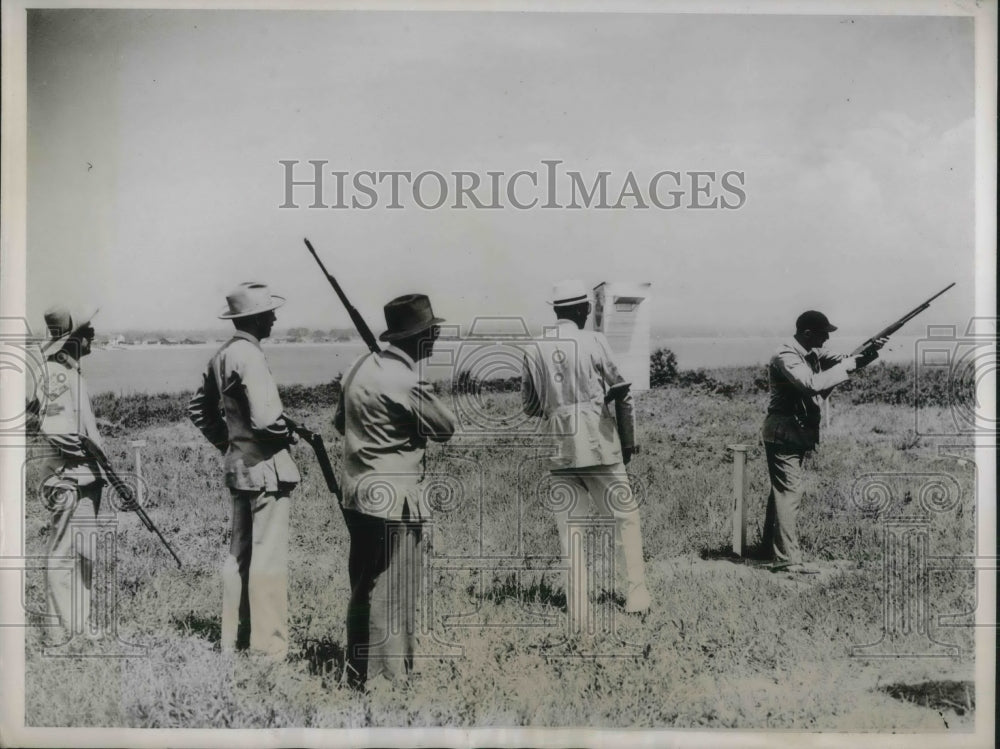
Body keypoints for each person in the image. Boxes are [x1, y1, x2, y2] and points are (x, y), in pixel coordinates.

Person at [334, 294, 456, 691]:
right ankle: (387, 682)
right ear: (417, 337)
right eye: (431, 331)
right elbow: (445, 428)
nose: (436, 337)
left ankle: (358, 671)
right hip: (394, 499)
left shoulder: (357, 366)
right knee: (392, 589)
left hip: (356, 493)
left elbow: (341, 423)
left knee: (364, 585)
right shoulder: (406, 379)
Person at [521, 279, 651, 617]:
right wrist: (627, 440)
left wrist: (559, 405)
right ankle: (636, 596)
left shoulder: (534, 347)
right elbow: (622, 389)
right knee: (626, 519)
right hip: (598, 445)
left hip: (559, 448)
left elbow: (530, 406)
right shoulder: (595, 340)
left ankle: (578, 606)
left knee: (571, 528)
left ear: (556, 311)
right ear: (585, 309)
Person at [188, 282, 300, 657]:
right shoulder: (249, 355)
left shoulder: (222, 354)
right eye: (269, 312)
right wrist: (290, 433)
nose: (274, 317)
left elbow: (198, 410)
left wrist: (230, 444)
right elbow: (269, 421)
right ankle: (268, 651)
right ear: (254, 317)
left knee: (239, 557)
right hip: (266, 468)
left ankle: (231, 641)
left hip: (240, 468)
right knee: (267, 563)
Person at [761, 310, 884, 572]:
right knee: (789, 492)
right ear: (807, 333)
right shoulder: (785, 355)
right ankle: (787, 560)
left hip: (795, 430)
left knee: (782, 492)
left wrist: (871, 351)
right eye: (823, 333)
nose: (827, 338)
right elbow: (810, 384)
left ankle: (767, 550)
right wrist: (848, 364)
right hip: (784, 430)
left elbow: (849, 360)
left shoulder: (812, 353)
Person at [32, 306, 119, 642]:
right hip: (67, 478)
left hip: (84, 478)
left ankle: (79, 625)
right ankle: (59, 631)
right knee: (61, 554)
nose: (92, 335)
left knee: (83, 551)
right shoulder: (55, 374)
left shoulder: (70, 373)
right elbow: (57, 430)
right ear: (71, 339)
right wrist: (88, 453)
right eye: (87, 331)